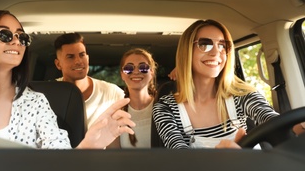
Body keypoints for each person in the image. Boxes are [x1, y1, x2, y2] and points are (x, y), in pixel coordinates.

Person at [0, 10, 135, 150]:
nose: (16, 41)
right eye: (5, 35)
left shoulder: (36, 103)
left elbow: (61, 160)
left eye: (22, 37)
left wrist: (90, 144)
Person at [152, 19, 296, 149]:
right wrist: (220, 159)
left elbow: (270, 117)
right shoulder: (165, 109)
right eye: (205, 44)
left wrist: (295, 127)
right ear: (187, 51)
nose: (216, 52)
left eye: (222, 45)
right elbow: (182, 158)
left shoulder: (242, 95)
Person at [54, 32, 125, 129]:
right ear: (58, 64)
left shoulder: (111, 93)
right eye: (70, 57)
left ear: (87, 58)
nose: (78, 61)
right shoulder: (46, 94)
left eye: (82, 55)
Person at [107, 48, 157, 148]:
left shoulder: (164, 108)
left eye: (143, 67)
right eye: (129, 68)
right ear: (122, 74)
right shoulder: (116, 114)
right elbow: (113, 158)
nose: (136, 72)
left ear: (151, 72)